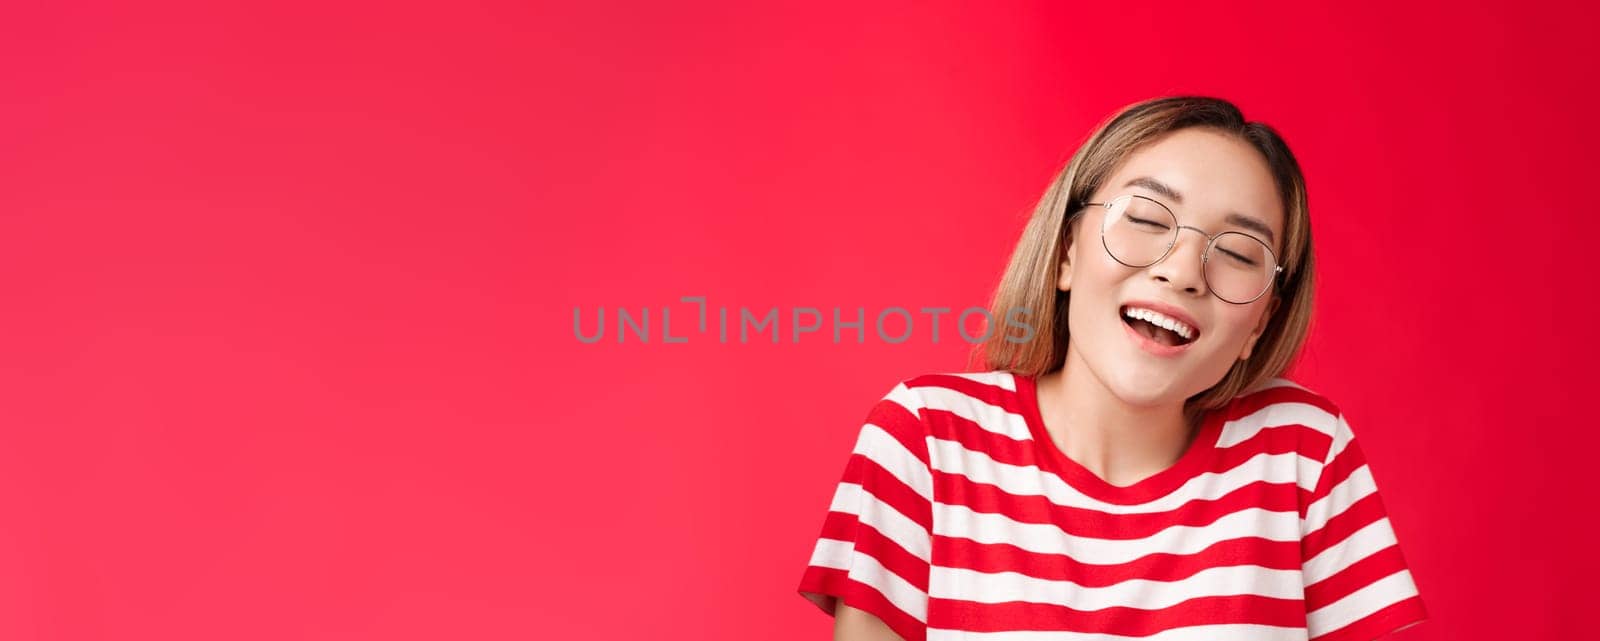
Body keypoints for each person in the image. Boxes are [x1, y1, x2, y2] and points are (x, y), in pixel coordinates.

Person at [795, 96, 1428, 641]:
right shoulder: (925, 441)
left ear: (1258, 324)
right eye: (1148, 219)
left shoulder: (1301, 454)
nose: (1182, 272)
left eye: (1237, 252)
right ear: (1067, 252)